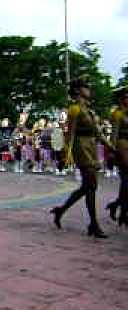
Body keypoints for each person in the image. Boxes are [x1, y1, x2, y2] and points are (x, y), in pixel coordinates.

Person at [50, 78, 113, 238]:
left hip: (91, 147)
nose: (89, 89)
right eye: (86, 87)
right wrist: (66, 155)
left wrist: (112, 147)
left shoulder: (89, 110)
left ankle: (61, 210)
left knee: (88, 187)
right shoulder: (74, 110)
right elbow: (69, 135)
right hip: (81, 149)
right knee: (91, 185)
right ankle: (93, 224)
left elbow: (98, 133)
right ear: (78, 90)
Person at [105, 86, 128, 226]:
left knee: (126, 183)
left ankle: (117, 206)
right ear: (121, 99)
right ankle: (123, 212)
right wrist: (112, 152)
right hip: (122, 146)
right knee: (126, 180)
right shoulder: (117, 114)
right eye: (126, 97)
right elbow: (114, 135)